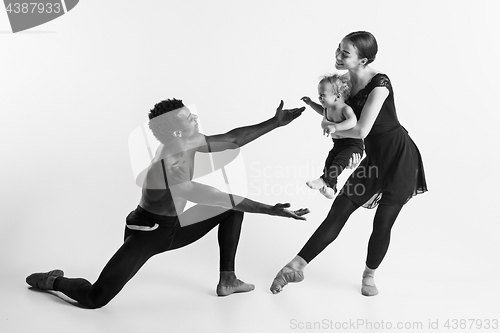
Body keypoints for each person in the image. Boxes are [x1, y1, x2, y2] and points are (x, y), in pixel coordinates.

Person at [26, 98, 310, 308]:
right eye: (190, 119)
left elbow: (233, 138)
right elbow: (213, 196)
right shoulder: (169, 166)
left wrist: (276, 122)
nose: (196, 119)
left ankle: (228, 280)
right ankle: (53, 281)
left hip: (175, 225)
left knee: (231, 212)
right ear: (176, 132)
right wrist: (270, 210)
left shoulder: (188, 141)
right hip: (148, 234)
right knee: (95, 298)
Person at [270, 31, 428, 296]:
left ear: (363, 60)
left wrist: (334, 131)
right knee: (339, 210)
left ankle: (369, 275)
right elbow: (332, 111)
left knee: (382, 224)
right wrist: (327, 123)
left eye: (345, 53)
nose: (338, 56)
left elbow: (362, 130)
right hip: (374, 160)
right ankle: (295, 266)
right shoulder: (340, 83)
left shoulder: (380, 84)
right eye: (338, 49)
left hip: (401, 158)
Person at [302, 74, 364, 199]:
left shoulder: (344, 109)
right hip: (338, 145)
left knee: (337, 163)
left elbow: (352, 121)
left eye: (323, 95)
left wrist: (336, 127)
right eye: (319, 95)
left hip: (353, 145)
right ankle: (331, 188)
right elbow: (321, 110)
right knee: (329, 162)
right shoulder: (328, 109)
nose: (320, 98)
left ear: (338, 96)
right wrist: (310, 103)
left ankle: (323, 180)